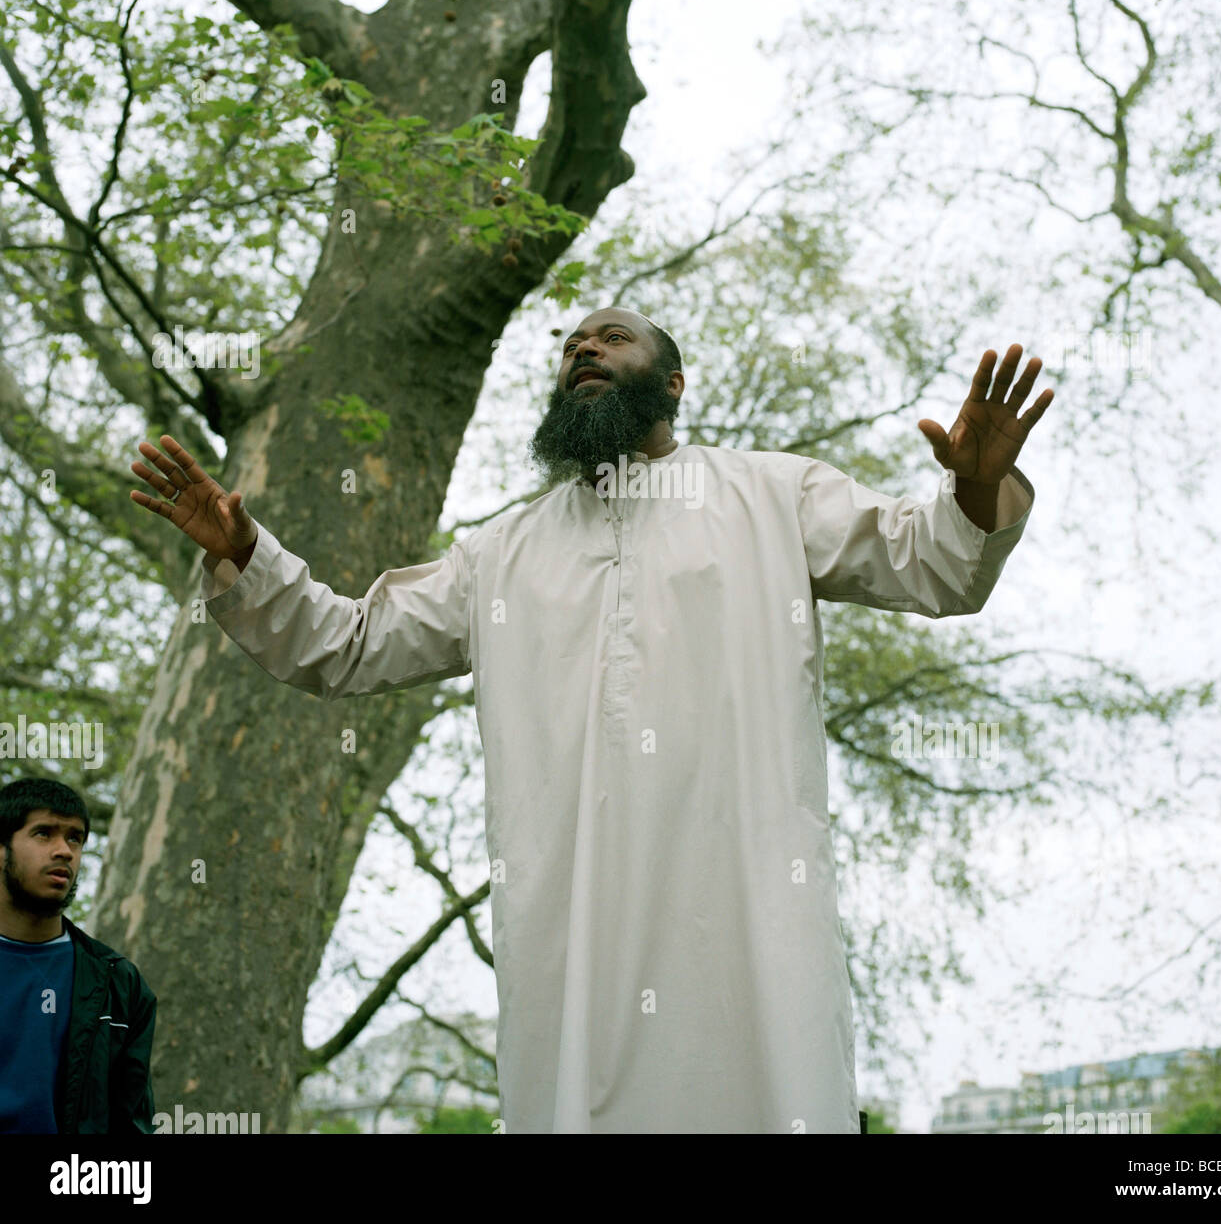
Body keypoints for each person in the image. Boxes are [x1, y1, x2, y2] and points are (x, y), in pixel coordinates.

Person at [128, 307, 1052, 1133]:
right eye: (572, 345)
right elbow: (351, 643)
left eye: (612, 338)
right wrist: (248, 553)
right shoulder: (503, 552)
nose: (585, 350)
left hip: (750, 913)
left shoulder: (774, 495)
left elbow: (932, 563)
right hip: (568, 932)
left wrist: (976, 487)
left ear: (673, 382)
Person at [0, 777, 157, 1133]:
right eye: (44, 833)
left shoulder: (119, 983)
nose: (64, 851)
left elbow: (131, 1123)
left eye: (75, 837)